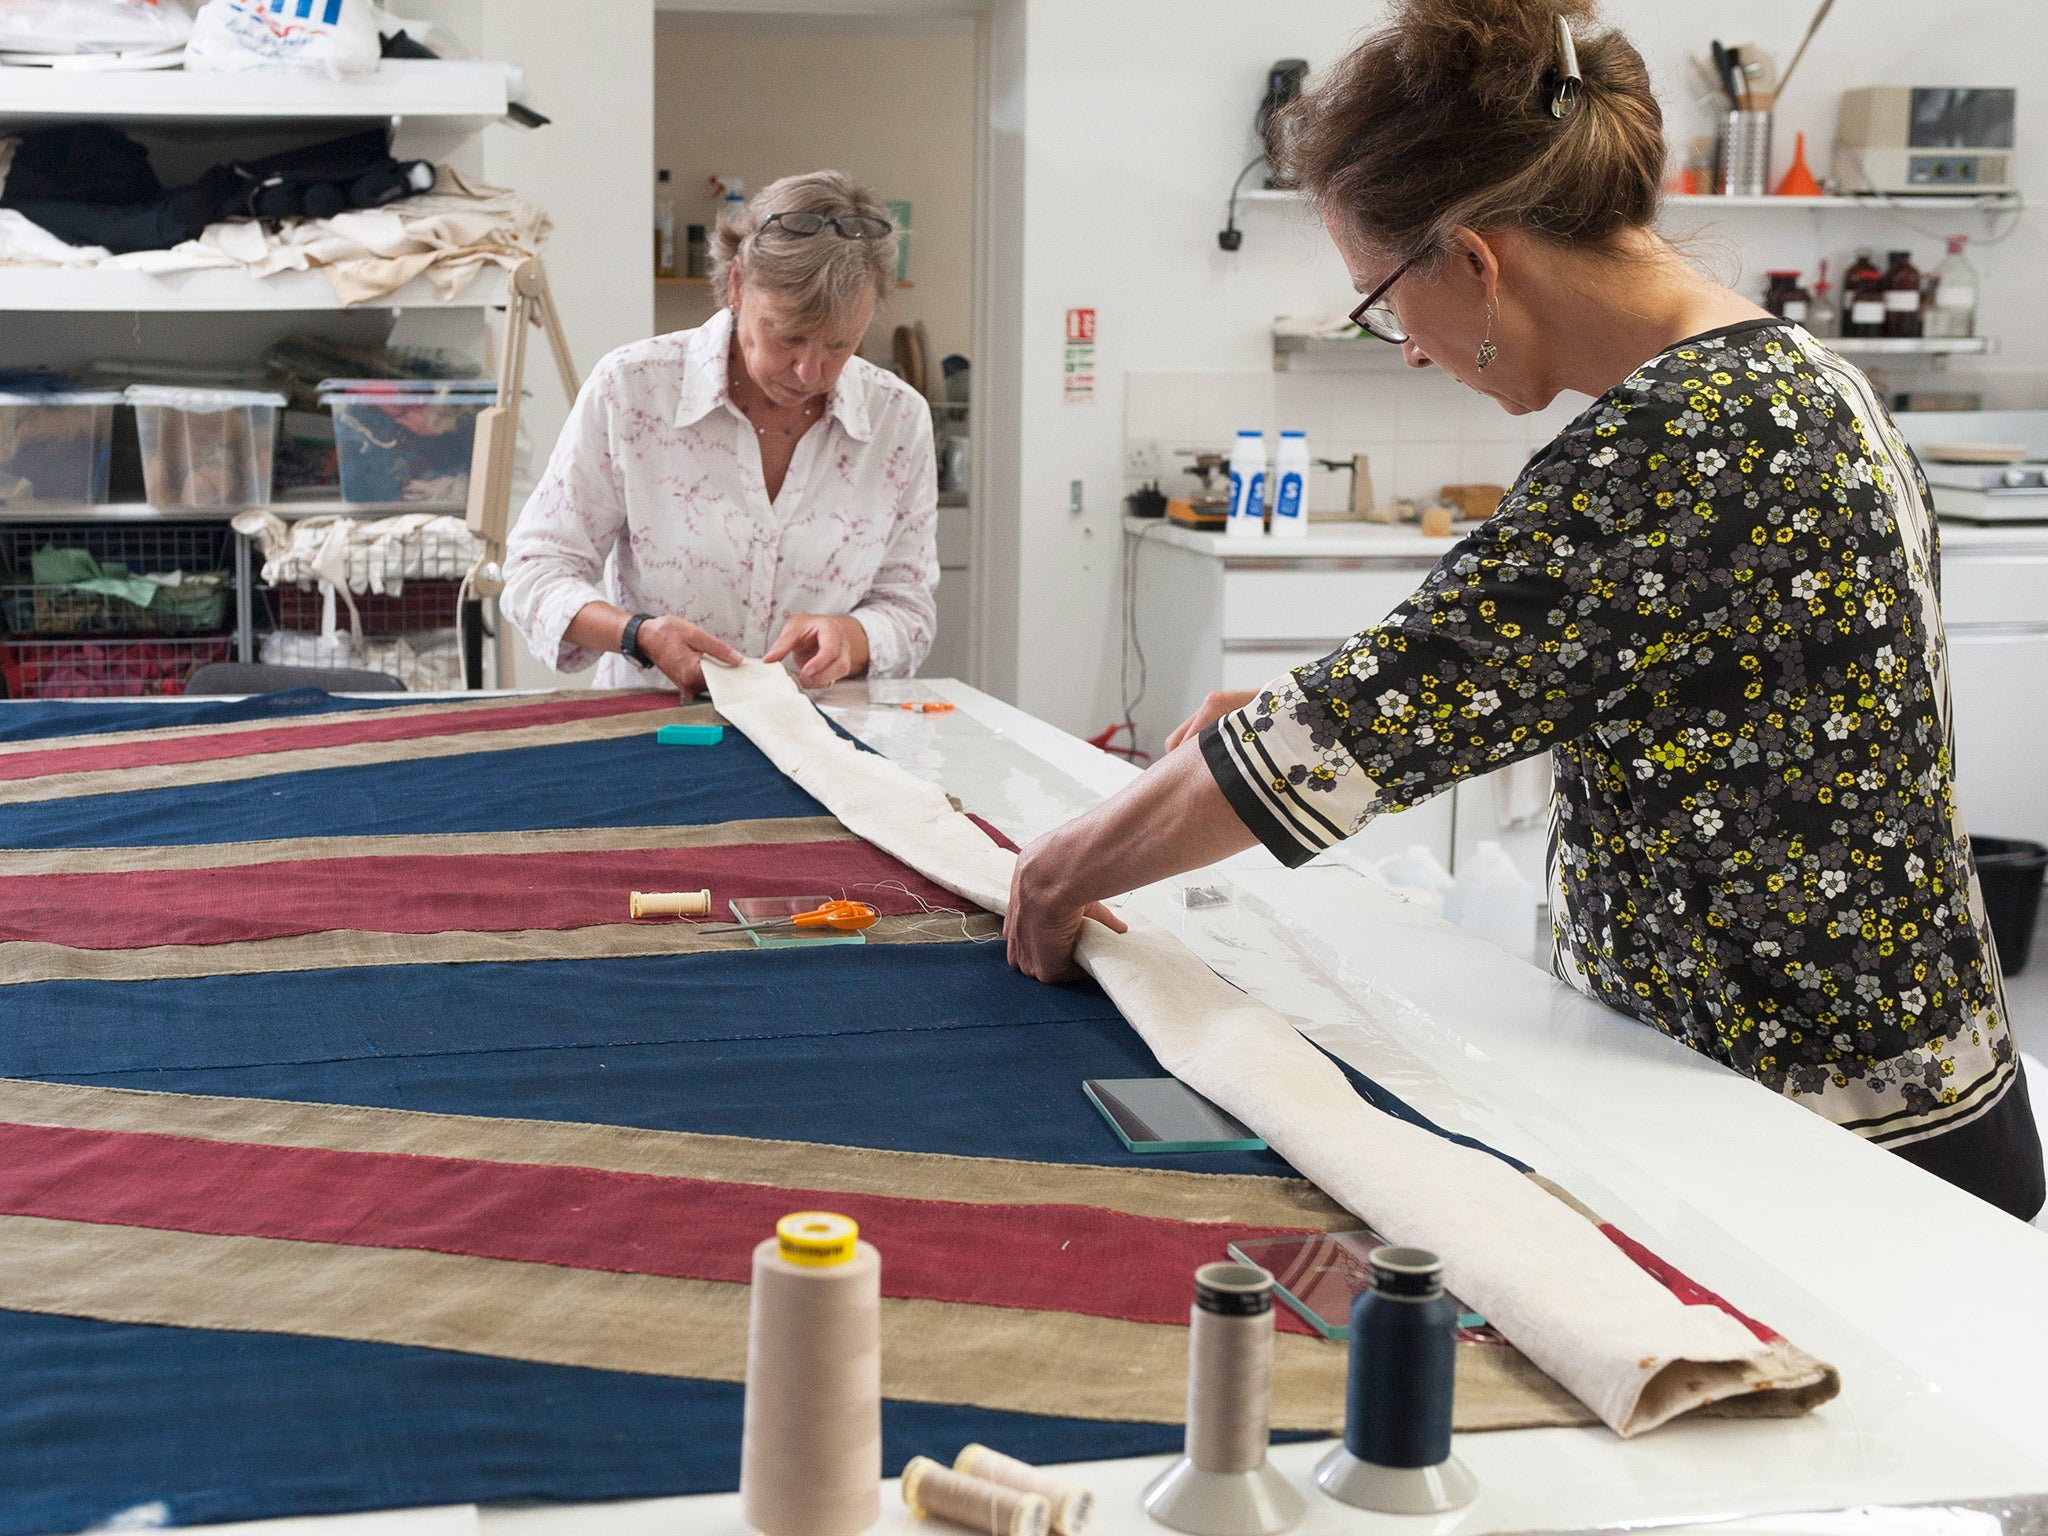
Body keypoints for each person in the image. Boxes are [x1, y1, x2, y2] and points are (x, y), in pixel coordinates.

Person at [1005, 0, 2045, 1221]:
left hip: (1824, 1142)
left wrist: (1056, 875)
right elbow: (1680, 699)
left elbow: (1335, 740)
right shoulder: (1797, 379)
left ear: (1474, 260)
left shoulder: (1675, 443)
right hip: (1920, 1077)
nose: (1398, 345)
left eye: (1380, 297)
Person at [501, 170, 938, 693]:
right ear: (736, 285)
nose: (809, 371)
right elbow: (534, 574)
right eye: (788, 337)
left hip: (823, 733)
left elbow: (909, 608)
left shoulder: (898, 419)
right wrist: (638, 635)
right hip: (654, 730)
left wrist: (854, 636)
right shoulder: (634, 389)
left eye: (840, 345)